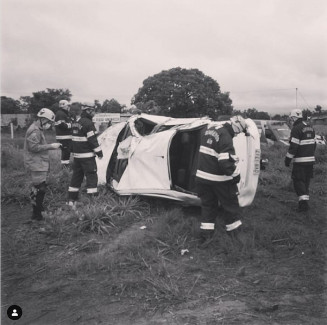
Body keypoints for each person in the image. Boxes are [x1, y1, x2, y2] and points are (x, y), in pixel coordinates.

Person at [195, 115, 248, 245]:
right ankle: (235, 235)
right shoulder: (226, 136)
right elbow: (225, 162)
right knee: (230, 204)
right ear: (237, 128)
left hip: (202, 177)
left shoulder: (208, 129)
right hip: (218, 179)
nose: (237, 135)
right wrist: (236, 176)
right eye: (239, 132)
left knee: (208, 206)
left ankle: (205, 237)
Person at [24, 108, 62, 220]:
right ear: (43, 120)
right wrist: (51, 146)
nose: (50, 125)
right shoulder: (35, 131)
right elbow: (33, 147)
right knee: (39, 188)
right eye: (49, 122)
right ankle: (37, 214)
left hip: (38, 163)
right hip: (36, 163)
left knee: (40, 187)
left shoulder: (38, 129)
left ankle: (39, 210)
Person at [68, 102, 103, 207]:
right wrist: (99, 152)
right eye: (93, 110)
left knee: (76, 177)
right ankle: (93, 203)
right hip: (87, 157)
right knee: (91, 176)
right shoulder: (88, 123)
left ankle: (71, 200)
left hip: (77, 156)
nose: (94, 113)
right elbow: (92, 140)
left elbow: (73, 139)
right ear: (87, 110)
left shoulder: (74, 122)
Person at [285, 109, 316, 212]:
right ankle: (304, 203)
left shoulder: (296, 129)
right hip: (310, 160)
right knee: (306, 182)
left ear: (294, 118)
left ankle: (303, 206)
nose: (291, 121)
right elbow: (314, 144)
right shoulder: (310, 128)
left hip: (300, 161)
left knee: (298, 181)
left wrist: (287, 159)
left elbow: (293, 147)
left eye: (291, 118)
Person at [55, 99, 72, 168]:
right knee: (66, 153)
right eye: (67, 106)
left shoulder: (63, 113)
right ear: (64, 106)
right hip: (64, 137)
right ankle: (65, 168)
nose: (68, 107)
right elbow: (62, 125)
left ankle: (66, 166)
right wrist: (72, 125)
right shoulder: (61, 114)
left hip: (65, 137)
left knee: (67, 152)